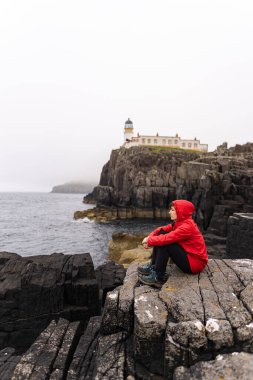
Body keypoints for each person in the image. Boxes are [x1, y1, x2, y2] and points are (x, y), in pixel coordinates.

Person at [138, 199, 208, 287]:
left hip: (194, 264)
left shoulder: (187, 227)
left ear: (180, 211)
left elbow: (167, 238)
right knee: (162, 234)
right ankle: (153, 267)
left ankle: (158, 277)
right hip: (189, 256)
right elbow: (161, 230)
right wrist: (149, 237)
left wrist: (149, 241)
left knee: (166, 243)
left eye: (172, 210)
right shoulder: (180, 222)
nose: (169, 212)